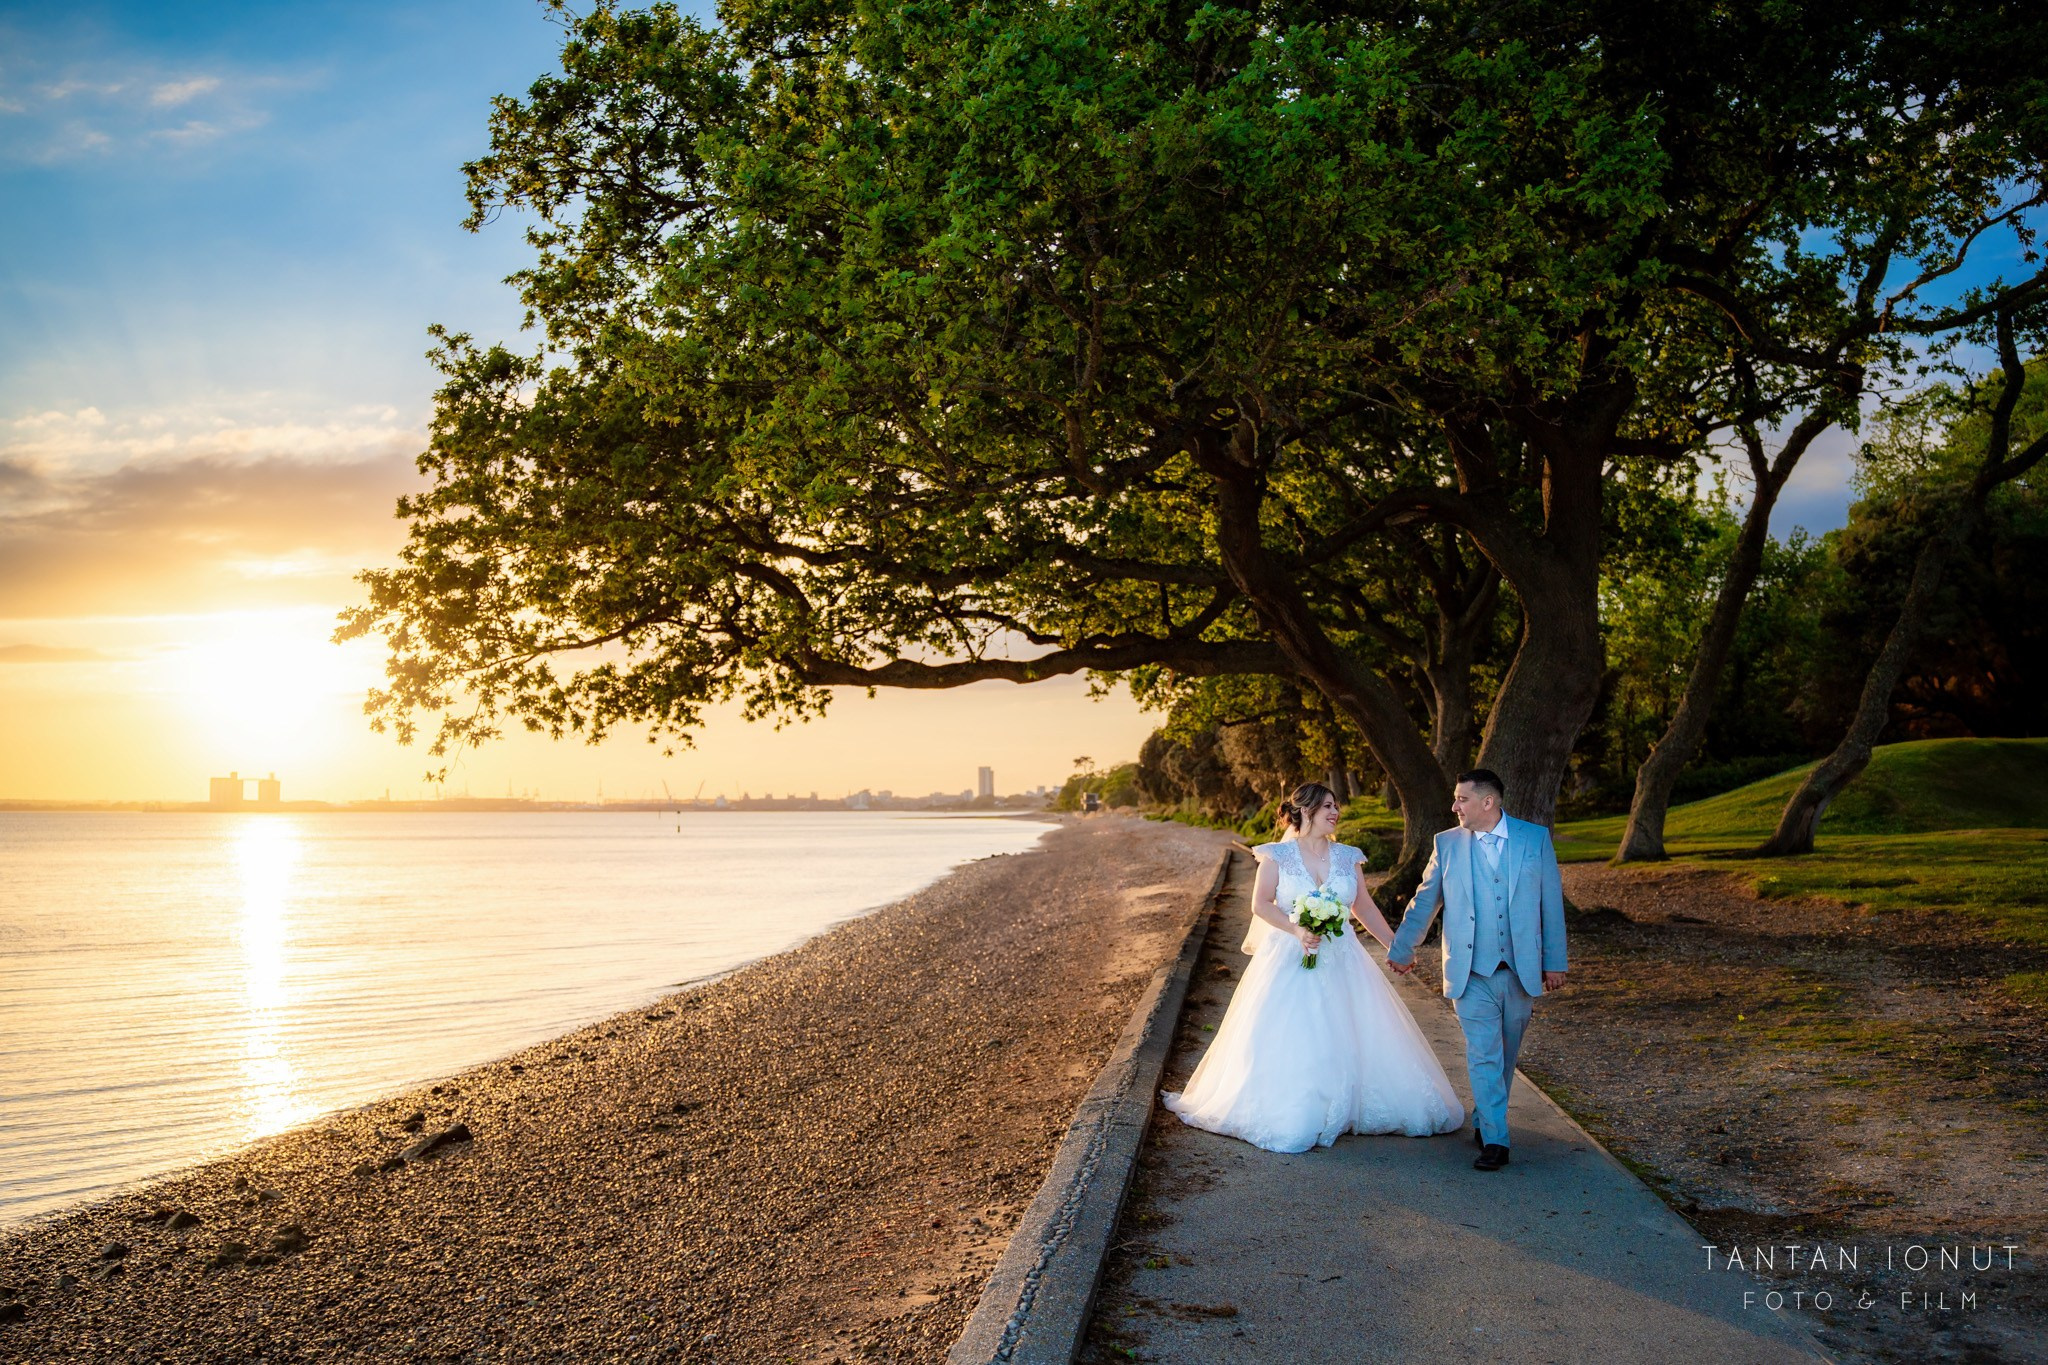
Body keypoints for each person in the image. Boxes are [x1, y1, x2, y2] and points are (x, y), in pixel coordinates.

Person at [1161, 782, 1464, 1153]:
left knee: (1353, 1026)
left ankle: (1353, 1102)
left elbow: (1363, 907)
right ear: (1304, 811)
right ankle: (1302, 1105)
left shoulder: (1348, 856)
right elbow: (1260, 904)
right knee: (1296, 1030)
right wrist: (1296, 928)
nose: (1334, 812)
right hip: (1289, 955)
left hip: (1342, 957)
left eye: (1336, 806)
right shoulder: (1276, 855)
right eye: (1326, 807)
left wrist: (1396, 947)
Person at [1387, 768, 1568, 1172]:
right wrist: (1402, 948)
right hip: (1470, 971)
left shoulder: (1533, 838)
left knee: (1505, 1056)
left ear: (1488, 802)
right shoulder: (1446, 844)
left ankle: (1488, 1120)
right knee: (1483, 1054)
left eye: (1461, 799)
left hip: (1521, 970)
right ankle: (1497, 1142)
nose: (1454, 807)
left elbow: (1550, 904)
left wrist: (1555, 962)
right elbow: (1424, 901)